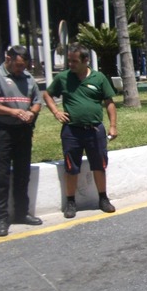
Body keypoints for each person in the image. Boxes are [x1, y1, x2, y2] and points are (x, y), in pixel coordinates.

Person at [42, 43, 118, 219]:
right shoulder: (63, 78)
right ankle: (70, 202)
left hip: (95, 130)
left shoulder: (99, 78)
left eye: (74, 61)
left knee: (99, 165)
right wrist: (56, 112)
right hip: (71, 131)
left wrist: (113, 125)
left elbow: (109, 102)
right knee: (71, 167)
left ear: (86, 60)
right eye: (69, 61)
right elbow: (47, 94)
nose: (71, 64)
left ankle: (103, 199)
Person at [0, 46, 43, 237]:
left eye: (24, 66)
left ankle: (22, 213)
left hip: (23, 131)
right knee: (1, 176)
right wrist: (12, 111)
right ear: (8, 59)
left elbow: (38, 100)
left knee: (23, 173)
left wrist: (32, 112)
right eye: (18, 65)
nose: (20, 70)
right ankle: (1, 219)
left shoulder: (28, 78)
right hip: (1, 131)